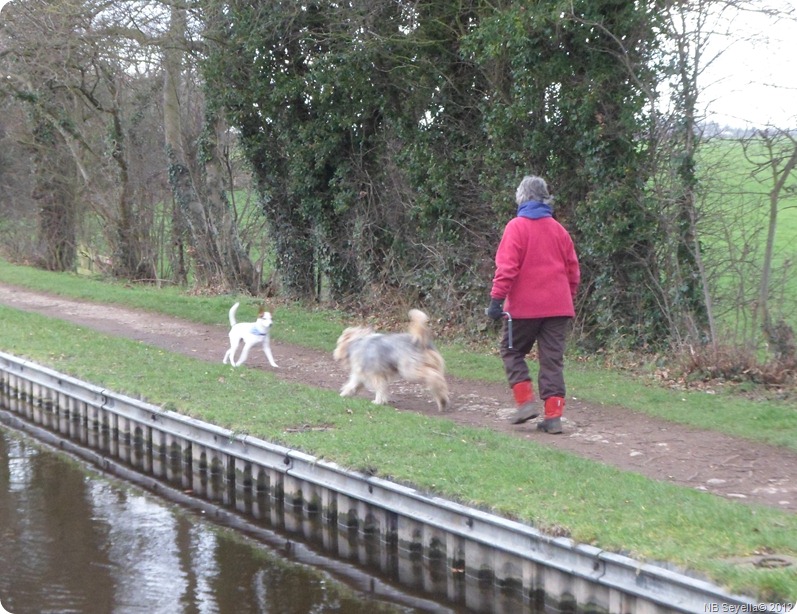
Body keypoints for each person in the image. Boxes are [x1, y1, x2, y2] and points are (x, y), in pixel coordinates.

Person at [486, 175, 580, 434]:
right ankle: (553, 417)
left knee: (511, 350)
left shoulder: (516, 227)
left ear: (522, 198)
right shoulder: (559, 230)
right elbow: (573, 270)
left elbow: (507, 268)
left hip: (524, 309)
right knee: (552, 361)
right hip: (558, 307)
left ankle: (525, 402)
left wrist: (496, 301)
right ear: (545, 198)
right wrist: (565, 296)